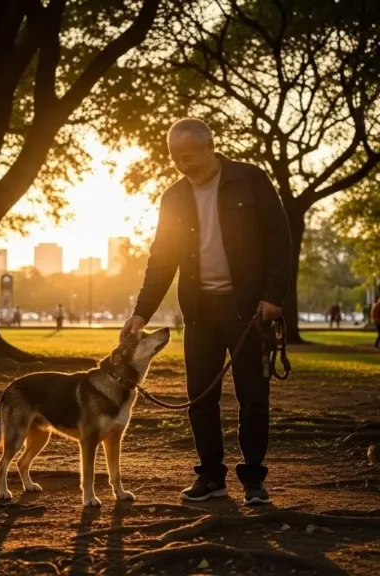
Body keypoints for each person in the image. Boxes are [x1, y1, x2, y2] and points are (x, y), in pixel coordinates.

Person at [120, 118, 292, 506]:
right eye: (175, 159)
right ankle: (211, 477)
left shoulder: (251, 179)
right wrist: (141, 313)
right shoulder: (173, 197)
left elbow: (280, 239)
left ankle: (253, 479)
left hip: (248, 311)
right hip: (199, 313)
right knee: (200, 397)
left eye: (189, 157)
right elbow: (161, 259)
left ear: (211, 146)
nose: (183, 165)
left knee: (252, 395)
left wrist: (274, 295)